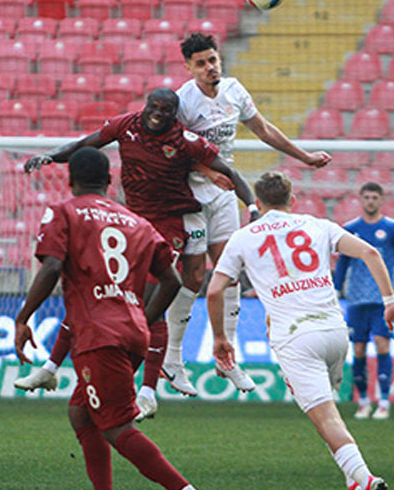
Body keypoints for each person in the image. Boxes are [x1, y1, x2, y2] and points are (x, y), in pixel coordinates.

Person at [14, 147, 221, 490]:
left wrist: (23, 318)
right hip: (132, 332)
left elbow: (52, 267)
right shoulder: (137, 221)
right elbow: (172, 280)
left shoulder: (64, 211)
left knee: (115, 426)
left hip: (96, 335)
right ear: (110, 182)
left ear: (71, 178)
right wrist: (143, 317)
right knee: (80, 411)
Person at [16, 88, 256, 420]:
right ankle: (51, 367)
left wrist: (253, 206)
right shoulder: (125, 125)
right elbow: (86, 145)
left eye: (166, 109)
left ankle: (147, 390)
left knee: (149, 295)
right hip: (132, 220)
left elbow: (230, 173)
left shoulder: (185, 140)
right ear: (144, 107)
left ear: (175, 113)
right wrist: (51, 156)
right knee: (100, 288)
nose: (157, 113)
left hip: (168, 225)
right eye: (153, 107)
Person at [207, 171, 394, 490]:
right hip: (334, 331)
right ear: (292, 199)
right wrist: (390, 302)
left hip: (297, 338)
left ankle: (366, 480)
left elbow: (214, 291)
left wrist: (221, 338)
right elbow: (371, 252)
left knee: (325, 418)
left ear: (258, 203)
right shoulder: (318, 225)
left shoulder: (243, 237)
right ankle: (353, 485)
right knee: (326, 412)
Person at [162, 32, 334, 397]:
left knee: (229, 273)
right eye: (201, 63)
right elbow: (171, 148)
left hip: (224, 195)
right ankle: (173, 358)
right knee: (193, 277)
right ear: (188, 68)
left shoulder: (235, 91)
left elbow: (263, 129)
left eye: (213, 60)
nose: (210, 68)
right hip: (190, 195)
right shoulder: (181, 101)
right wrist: (208, 172)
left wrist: (303, 156)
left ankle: (227, 357)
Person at [332, 182, 394, 420]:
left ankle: (385, 401)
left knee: (382, 345)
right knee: (357, 349)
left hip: (383, 300)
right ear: (361, 199)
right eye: (366, 197)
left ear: (381, 200)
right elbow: (343, 264)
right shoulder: (350, 229)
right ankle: (364, 401)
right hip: (356, 300)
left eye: (374, 197)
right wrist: (335, 293)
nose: (370, 201)